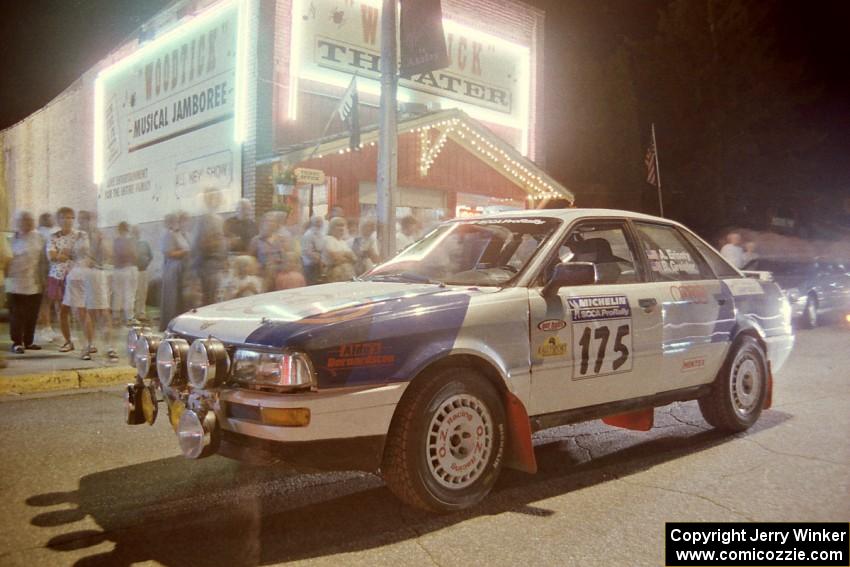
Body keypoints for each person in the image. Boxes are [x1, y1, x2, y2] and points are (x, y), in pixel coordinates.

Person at [5, 211, 45, 354]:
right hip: (15, 284)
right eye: (24, 220)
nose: (28, 222)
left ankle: (29, 341)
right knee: (17, 315)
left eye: (30, 219)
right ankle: (17, 343)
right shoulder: (11, 239)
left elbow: (42, 260)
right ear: (18, 222)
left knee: (32, 315)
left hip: (34, 283)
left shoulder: (38, 237)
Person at [47, 207, 84, 353]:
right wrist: (64, 254)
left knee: (81, 310)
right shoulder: (53, 237)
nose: (67, 220)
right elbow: (52, 256)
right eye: (64, 217)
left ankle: (86, 342)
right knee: (61, 311)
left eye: (70, 217)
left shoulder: (80, 236)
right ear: (58, 220)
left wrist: (62, 254)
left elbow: (81, 255)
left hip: (75, 277)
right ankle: (68, 341)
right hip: (57, 277)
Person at [191, 188, 228, 306]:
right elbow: (201, 244)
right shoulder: (204, 219)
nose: (216, 201)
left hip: (217, 263)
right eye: (212, 198)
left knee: (215, 297)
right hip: (207, 264)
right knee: (208, 299)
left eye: (217, 198)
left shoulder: (219, 219)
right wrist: (217, 243)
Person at [160, 213, 191, 331]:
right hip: (173, 269)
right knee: (172, 299)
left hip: (183, 269)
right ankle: (170, 325)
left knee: (181, 300)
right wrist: (184, 252)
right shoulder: (168, 235)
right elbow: (169, 253)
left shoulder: (183, 234)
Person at [35, 212, 58, 344]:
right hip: (48, 272)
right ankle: (45, 328)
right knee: (46, 302)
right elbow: (43, 258)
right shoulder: (44, 233)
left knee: (48, 302)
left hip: (51, 271)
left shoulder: (43, 233)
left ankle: (47, 327)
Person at [111, 222, 138, 326]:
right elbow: (134, 255)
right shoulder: (129, 241)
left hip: (117, 270)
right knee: (129, 294)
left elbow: (112, 256)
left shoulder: (115, 241)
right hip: (128, 268)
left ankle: (116, 317)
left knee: (117, 294)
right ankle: (129, 317)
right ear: (127, 229)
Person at [248, 212, 285, 288]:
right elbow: (251, 260)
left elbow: (286, 257)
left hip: (280, 276)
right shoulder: (256, 240)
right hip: (264, 276)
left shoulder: (281, 239)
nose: (271, 223)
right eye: (268, 221)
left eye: (274, 221)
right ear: (262, 223)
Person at [322, 217, 357, 282]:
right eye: (338, 225)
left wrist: (342, 255)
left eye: (343, 225)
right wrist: (346, 255)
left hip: (348, 273)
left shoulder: (343, 242)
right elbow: (335, 258)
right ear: (331, 227)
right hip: (334, 272)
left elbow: (354, 258)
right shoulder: (328, 239)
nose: (341, 228)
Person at [132, 226, 153, 323]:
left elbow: (150, 256)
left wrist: (146, 264)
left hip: (144, 270)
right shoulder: (131, 244)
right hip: (133, 271)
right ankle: (134, 313)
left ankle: (142, 313)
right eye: (134, 232)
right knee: (134, 293)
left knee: (143, 292)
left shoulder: (145, 244)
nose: (136, 233)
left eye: (137, 231)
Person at [301, 216, 325, 285]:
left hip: (320, 263)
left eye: (321, 222)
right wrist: (319, 259)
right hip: (310, 264)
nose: (319, 224)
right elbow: (307, 251)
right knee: (312, 284)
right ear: (312, 223)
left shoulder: (321, 233)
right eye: (317, 222)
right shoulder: (308, 234)